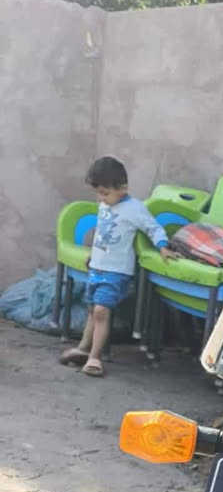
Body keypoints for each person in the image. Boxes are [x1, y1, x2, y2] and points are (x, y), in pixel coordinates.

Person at [59, 156, 169, 377]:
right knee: (93, 310)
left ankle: (95, 357)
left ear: (123, 187)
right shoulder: (104, 206)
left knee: (101, 311)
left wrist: (163, 246)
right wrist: (93, 255)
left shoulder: (134, 209)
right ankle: (83, 348)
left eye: (105, 193)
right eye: (98, 193)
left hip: (116, 272)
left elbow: (153, 227)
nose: (101, 198)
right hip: (97, 268)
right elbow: (102, 235)